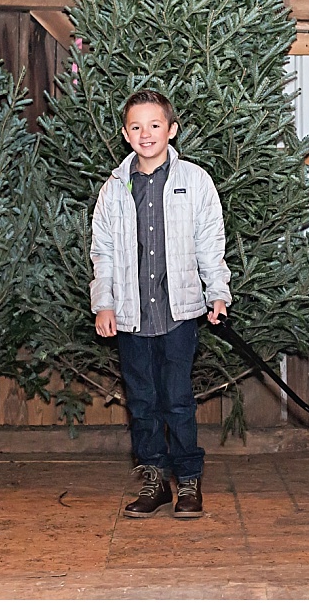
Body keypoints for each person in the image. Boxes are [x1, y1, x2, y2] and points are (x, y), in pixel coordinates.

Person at [91, 89, 231, 520]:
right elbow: (104, 250)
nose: (145, 133)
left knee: (177, 398)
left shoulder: (195, 181)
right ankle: (153, 478)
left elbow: (210, 243)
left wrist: (217, 292)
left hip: (178, 315)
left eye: (155, 125)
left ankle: (188, 480)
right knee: (143, 401)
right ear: (125, 134)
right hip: (132, 316)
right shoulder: (114, 190)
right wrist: (104, 302)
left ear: (171, 130)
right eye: (136, 126)